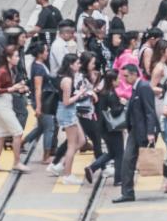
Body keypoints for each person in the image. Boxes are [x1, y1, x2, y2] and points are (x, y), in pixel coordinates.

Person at [113, 64, 159, 203]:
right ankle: (127, 193)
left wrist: (150, 132)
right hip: (134, 130)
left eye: (126, 76)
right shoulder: (135, 88)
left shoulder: (144, 87)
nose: (124, 79)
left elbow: (150, 111)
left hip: (144, 131)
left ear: (134, 74)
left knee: (150, 160)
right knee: (128, 161)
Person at [52, 55, 91, 185]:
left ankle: (62, 165)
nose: (79, 65)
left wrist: (78, 93)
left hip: (69, 112)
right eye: (77, 63)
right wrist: (79, 94)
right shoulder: (67, 80)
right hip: (67, 112)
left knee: (82, 140)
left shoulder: (65, 77)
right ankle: (67, 175)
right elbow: (66, 101)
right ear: (70, 65)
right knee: (71, 145)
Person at [0, 48, 30, 173]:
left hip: (6, 103)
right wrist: (13, 88)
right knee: (17, 132)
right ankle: (16, 162)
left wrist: (19, 88)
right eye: (16, 56)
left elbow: (9, 88)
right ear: (8, 58)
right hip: (2, 105)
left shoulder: (11, 70)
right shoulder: (2, 71)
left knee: (1, 135)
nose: (18, 58)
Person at [85, 69, 125, 186]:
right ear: (112, 81)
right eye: (118, 79)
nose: (120, 81)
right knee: (119, 154)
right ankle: (118, 179)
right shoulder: (112, 94)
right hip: (112, 128)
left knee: (111, 153)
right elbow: (115, 112)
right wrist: (122, 104)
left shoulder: (102, 92)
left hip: (102, 127)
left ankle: (92, 168)